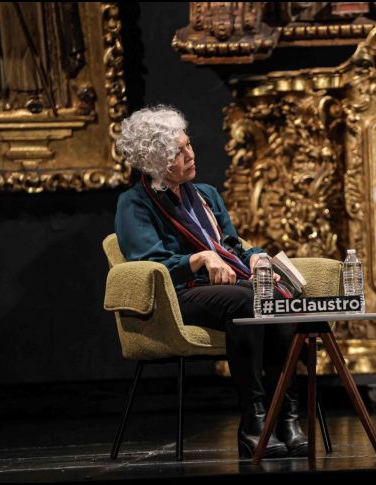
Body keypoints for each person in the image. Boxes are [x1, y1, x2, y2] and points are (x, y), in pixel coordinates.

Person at [114, 105, 307, 459]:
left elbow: (232, 244)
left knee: (271, 295)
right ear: (155, 160)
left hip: (227, 288)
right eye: (178, 152)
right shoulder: (134, 203)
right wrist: (198, 259)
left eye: (188, 145)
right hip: (178, 297)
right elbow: (148, 264)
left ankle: (288, 418)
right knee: (247, 300)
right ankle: (254, 423)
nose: (191, 155)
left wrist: (255, 256)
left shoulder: (205, 194)